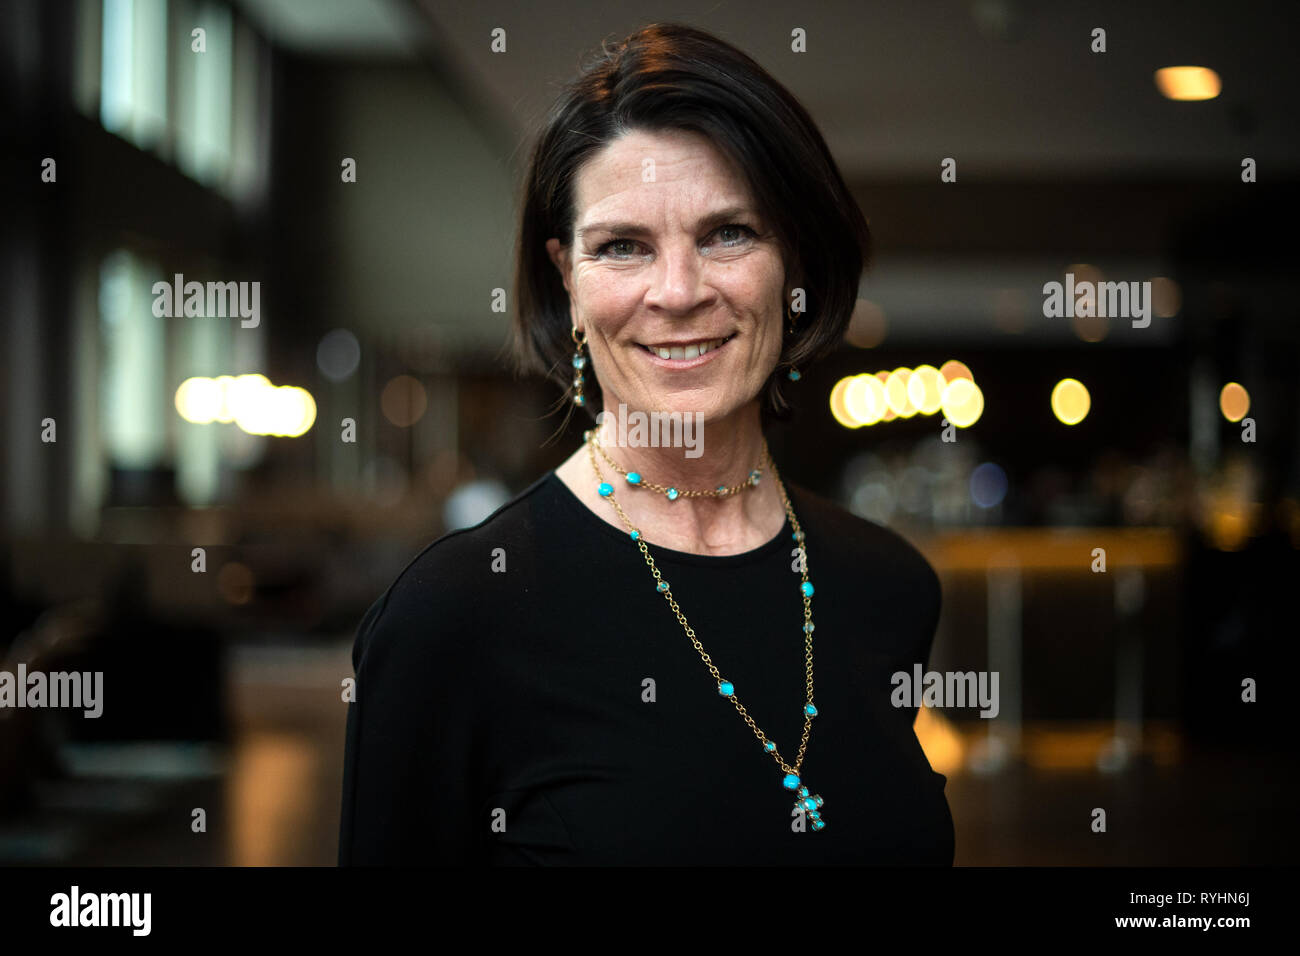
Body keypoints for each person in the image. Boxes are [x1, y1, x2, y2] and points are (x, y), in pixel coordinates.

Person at [339, 22, 954, 865]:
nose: (677, 292)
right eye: (622, 246)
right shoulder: (455, 614)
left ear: (796, 262)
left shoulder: (888, 586)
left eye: (727, 233)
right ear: (568, 278)